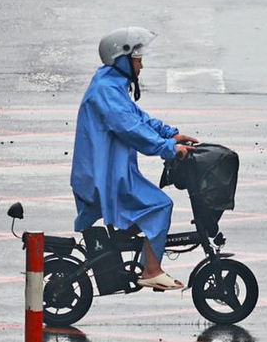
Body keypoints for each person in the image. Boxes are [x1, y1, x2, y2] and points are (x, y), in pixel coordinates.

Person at [71, 28, 198, 291]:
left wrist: (170, 134)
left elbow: (138, 117)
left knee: (146, 209)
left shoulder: (111, 85)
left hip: (111, 172)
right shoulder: (106, 91)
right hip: (105, 177)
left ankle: (133, 255)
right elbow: (130, 129)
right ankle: (151, 270)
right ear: (122, 59)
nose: (141, 65)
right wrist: (167, 148)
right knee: (160, 205)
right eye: (137, 59)